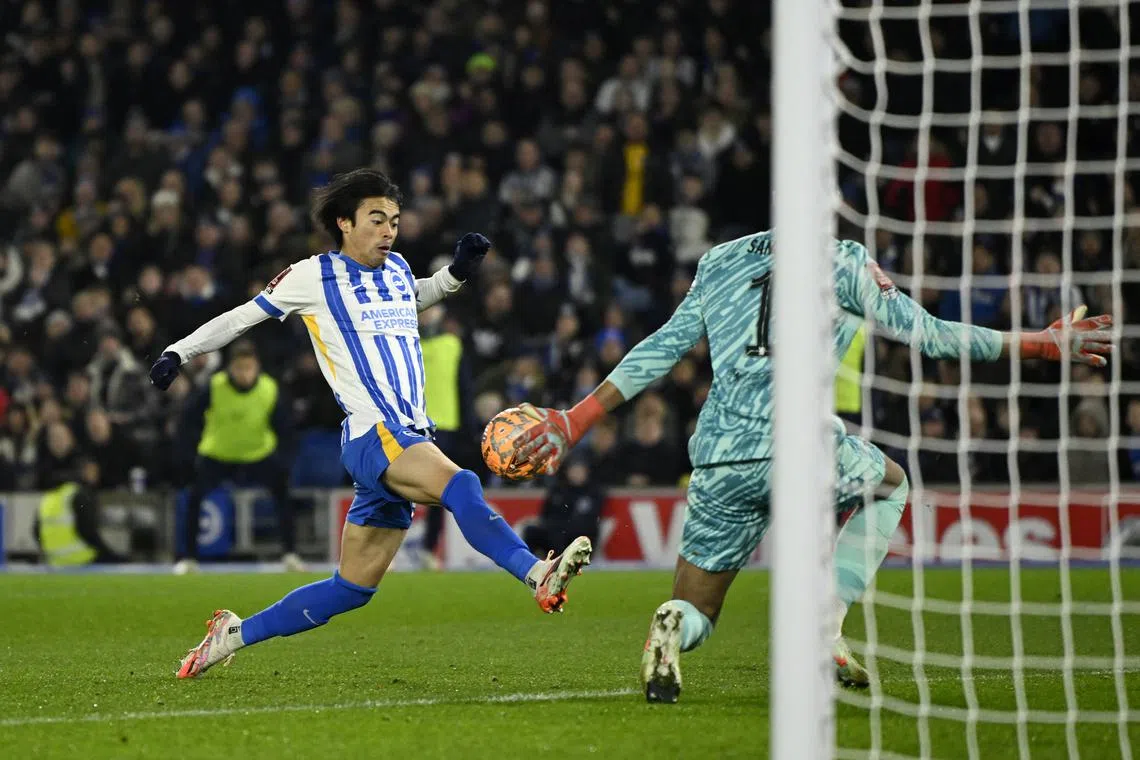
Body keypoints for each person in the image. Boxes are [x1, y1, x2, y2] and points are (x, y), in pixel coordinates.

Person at [509, 230, 1113, 703]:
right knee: (891, 486)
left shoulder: (720, 261)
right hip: (801, 447)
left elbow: (663, 348)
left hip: (720, 455)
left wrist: (578, 417)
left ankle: (672, 624)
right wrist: (1037, 342)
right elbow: (928, 335)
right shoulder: (843, 258)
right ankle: (826, 625)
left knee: (700, 610)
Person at [148, 169, 592, 679]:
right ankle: (537, 573)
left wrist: (455, 275)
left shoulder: (398, 268)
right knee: (461, 483)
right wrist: (178, 352)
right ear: (344, 222)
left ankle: (231, 636)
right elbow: (242, 317)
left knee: (350, 589)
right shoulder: (312, 275)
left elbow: (415, 296)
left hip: (405, 437)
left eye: (395, 221)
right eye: (376, 220)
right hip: (374, 431)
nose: (388, 231)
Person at [173, 339, 300, 574]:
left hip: (258, 454)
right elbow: (188, 420)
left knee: (283, 493)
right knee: (193, 497)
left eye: (249, 368)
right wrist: (190, 454)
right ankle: (188, 558)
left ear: (257, 367)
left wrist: (284, 460)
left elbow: (286, 428)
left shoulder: (270, 388)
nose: (244, 374)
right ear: (230, 367)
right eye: (240, 368)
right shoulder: (214, 386)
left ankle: (290, 555)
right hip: (218, 455)